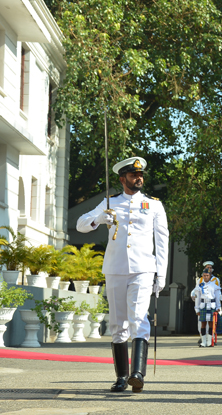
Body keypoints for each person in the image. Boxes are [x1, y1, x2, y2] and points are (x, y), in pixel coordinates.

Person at [76, 157, 169, 393]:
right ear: (122, 178)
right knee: (118, 323)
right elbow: (80, 225)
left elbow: (162, 241)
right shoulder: (110, 202)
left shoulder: (154, 205)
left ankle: (138, 374)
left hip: (143, 269)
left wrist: (161, 274)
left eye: (140, 175)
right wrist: (98, 219)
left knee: (139, 318)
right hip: (115, 268)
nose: (138, 178)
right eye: (133, 175)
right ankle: (121, 376)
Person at [194, 270, 221, 347]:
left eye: (207, 275)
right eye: (204, 275)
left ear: (210, 276)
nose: (206, 277)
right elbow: (197, 298)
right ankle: (203, 342)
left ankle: (209, 341)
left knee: (211, 324)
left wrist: (218, 307)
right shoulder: (199, 286)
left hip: (211, 305)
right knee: (203, 323)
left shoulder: (214, 286)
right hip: (203, 305)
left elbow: (217, 297)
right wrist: (197, 309)